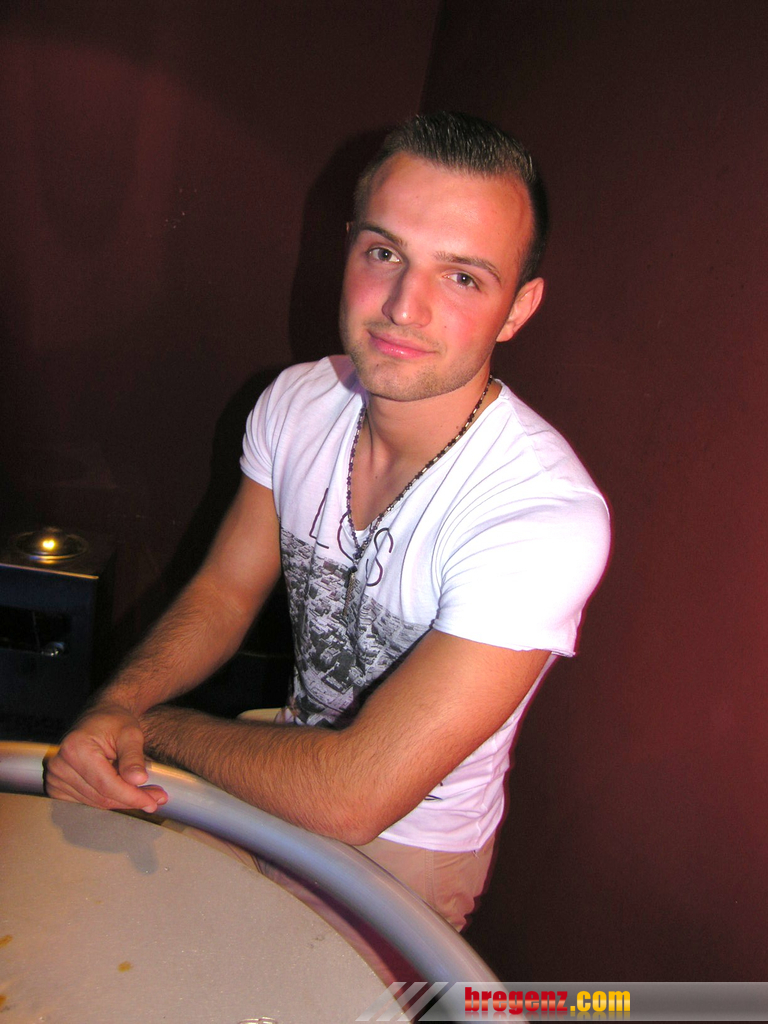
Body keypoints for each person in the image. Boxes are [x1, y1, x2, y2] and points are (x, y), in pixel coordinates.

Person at [46, 112, 610, 936]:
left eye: (462, 277)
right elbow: (226, 590)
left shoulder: (541, 515)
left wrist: (150, 725)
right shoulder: (298, 400)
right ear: (348, 249)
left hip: (404, 842)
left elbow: (354, 796)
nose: (404, 307)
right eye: (385, 253)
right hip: (282, 758)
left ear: (518, 309)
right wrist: (120, 702)